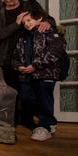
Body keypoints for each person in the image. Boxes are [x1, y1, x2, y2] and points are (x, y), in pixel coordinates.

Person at [0, 0, 56, 126]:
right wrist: (16, 24)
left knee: (38, 92)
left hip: (35, 55)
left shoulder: (30, 6)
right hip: (10, 59)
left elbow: (49, 19)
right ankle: (19, 121)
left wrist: (48, 23)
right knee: (18, 92)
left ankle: (41, 122)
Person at [13, 8, 65, 141]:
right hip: (26, 75)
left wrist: (35, 65)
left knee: (44, 99)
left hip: (45, 74)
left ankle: (45, 126)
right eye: (24, 22)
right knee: (26, 98)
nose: (27, 24)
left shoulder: (49, 32)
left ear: (39, 19)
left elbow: (56, 51)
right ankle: (49, 121)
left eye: (29, 20)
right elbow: (15, 57)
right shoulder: (23, 38)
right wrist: (19, 66)